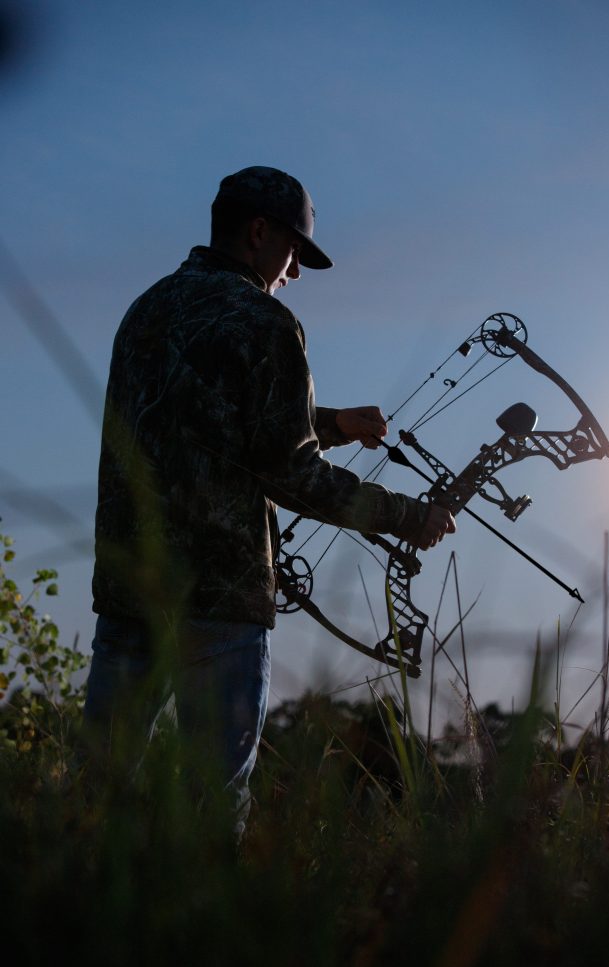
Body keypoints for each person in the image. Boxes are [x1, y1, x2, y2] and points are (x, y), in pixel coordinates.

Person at [83, 166, 455, 828]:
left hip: (128, 590)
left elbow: (206, 424)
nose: (297, 272)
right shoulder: (265, 320)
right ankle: (200, 932)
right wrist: (406, 517)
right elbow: (292, 475)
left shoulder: (147, 309)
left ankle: (69, 923)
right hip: (217, 602)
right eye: (294, 250)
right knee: (211, 808)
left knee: (99, 796)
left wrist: (333, 423)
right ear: (258, 233)